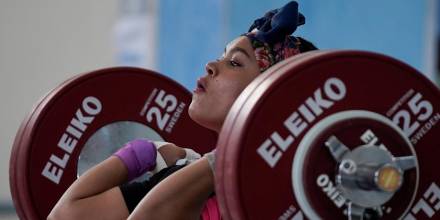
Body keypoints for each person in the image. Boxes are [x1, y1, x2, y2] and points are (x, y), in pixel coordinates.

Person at [48, 1, 317, 219]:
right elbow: (65, 216)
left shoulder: (303, 188)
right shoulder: (184, 177)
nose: (211, 65)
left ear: (270, 94)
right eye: (222, 56)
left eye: (234, 63)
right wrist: (142, 153)